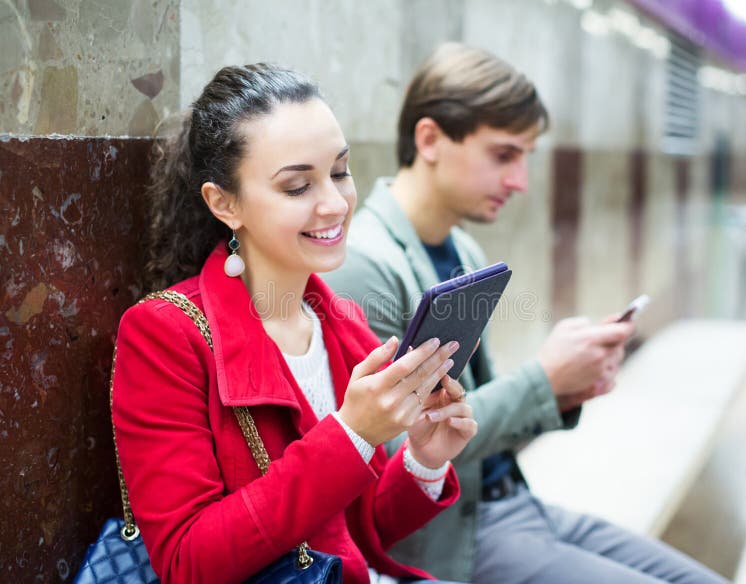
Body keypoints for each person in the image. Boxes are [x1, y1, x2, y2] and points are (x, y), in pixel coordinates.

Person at [323, 43, 729, 584]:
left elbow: (470, 409)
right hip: (452, 537)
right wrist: (542, 380)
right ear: (430, 140)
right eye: (504, 155)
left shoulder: (461, 250)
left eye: (526, 158)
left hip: (510, 500)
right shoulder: (364, 266)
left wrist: (566, 384)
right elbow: (397, 451)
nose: (520, 182)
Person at [111, 63, 479, 584]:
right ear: (224, 202)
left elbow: (350, 536)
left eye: (340, 171)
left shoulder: (341, 322)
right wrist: (352, 433)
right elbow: (187, 563)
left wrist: (424, 458)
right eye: (296, 186)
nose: (333, 203)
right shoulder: (166, 334)